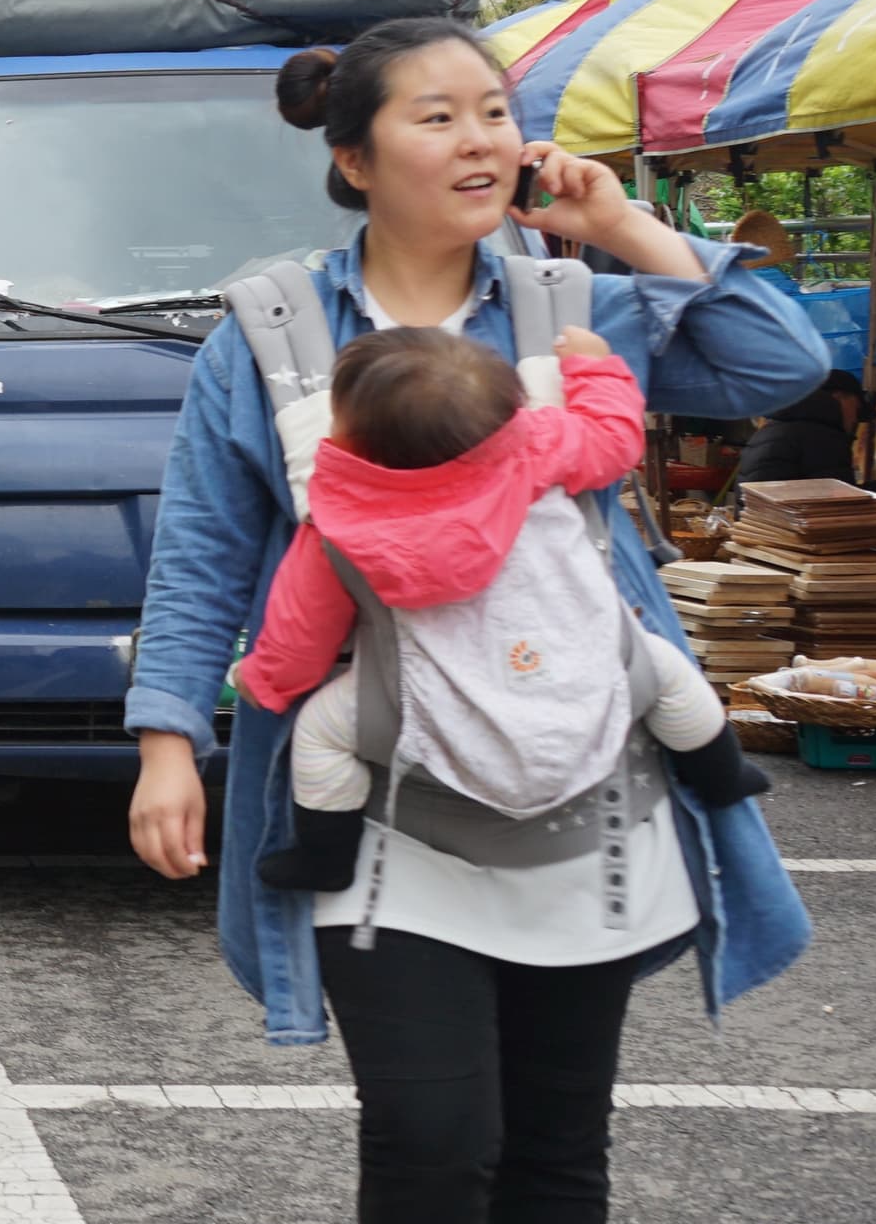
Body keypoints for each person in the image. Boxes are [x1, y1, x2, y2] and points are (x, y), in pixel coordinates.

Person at [124, 17, 818, 1224]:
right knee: (435, 1130)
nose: (482, 139)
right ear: (358, 158)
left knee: (560, 1141)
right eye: (438, 117)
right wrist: (172, 735)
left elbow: (782, 366)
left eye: (497, 111)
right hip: (380, 803)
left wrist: (626, 225)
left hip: (593, 793)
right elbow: (207, 552)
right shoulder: (276, 330)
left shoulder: (576, 302)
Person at [237, 322, 766, 897]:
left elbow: (300, 638)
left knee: (320, 734)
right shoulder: (537, 444)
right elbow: (614, 440)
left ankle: (326, 857)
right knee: (665, 673)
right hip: (576, 677)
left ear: (354, 440)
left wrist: (263, 680)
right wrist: (592, 365)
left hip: (438, 713)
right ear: (504, 416)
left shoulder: (337, 522)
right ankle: (721, 776)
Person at [730, 369, 862, 487]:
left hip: (756, 514)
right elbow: (837, 503)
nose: (855, 418)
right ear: (839, 398)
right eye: (856, 407)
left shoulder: (768, 431)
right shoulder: (822, 437)